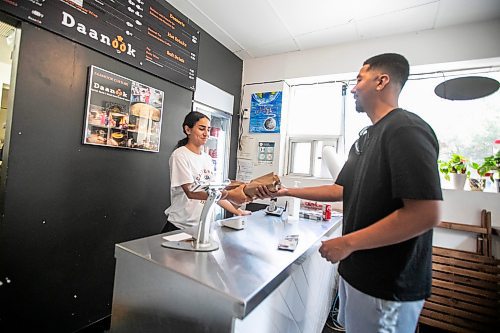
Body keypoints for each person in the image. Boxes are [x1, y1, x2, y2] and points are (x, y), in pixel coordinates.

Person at [255, 53, 442, 333]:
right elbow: (340, 189)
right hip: (358, 275)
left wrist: (348, 243)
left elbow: (425, 213)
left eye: (359, 78)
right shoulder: (365, 138)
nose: (353, 88)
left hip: (387, 285)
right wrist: (287, 191)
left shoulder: (405, 129)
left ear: (382, 81)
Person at [163, 111, 250, 233]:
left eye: (208, 130)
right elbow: (191, 192)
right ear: (188, 130)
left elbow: (214, 194)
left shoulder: (207, 158)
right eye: (201, 129)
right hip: (181, 226)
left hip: (203, 225)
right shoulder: (180, 155)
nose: (206, 134)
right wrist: (231, 195)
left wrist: (237, 211)